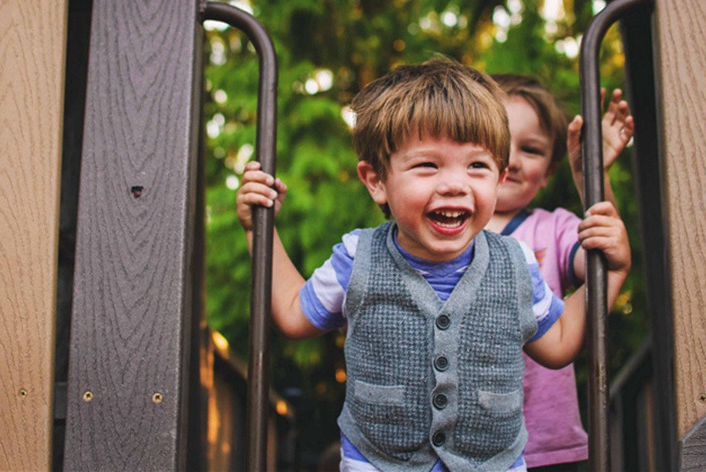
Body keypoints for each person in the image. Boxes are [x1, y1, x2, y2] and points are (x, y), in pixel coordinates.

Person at [236, 58, 631, 472]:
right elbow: (292, 314)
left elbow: (562, 341)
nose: (455, 183)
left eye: (477, 165)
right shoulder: (358, 258)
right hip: (380, 462)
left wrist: (614, 273)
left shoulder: (515, 264)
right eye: (428, 165)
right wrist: (259, 231)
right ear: (376, 181)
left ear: (497, 177)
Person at [486, 74, 634, 471]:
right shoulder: (445, 230)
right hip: (463, 445)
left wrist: (593, 176)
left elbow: (598, 258)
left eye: (531, 150)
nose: (512, 159)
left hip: (545, 445)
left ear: (549, 172)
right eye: (497, 142)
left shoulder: (553, 227)